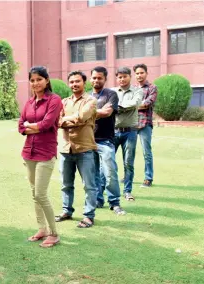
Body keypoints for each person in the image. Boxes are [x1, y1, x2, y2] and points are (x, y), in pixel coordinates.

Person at [18, 66, 62, 248]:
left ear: (46, 80)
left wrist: (32, 125)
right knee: (34, 194)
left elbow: (46, 124)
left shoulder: (54, 100)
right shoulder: (29, 103)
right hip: (29, 152)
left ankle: (54, 233)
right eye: (32, 80)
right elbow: (21, 126)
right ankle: (42, 229)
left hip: (45, 153)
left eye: (39, 79)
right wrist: (29, 125)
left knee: (40, 194)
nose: (35, 83)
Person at [55, 71, 98, 228]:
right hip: (66, 149)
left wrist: (68, 120)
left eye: (77, 81)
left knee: (89, 185)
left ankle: (88, 216)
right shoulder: (64, 102)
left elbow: (82, 116)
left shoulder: (91, 101)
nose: (74, 84)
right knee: (66, 184)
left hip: (84, 148)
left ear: (84, 82)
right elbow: (57, 121)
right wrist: (72, 120)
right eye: (71, 82)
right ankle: (67, 210)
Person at [89, 66, 126, 215]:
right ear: (90, 79)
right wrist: (97, 111)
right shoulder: (86, 96)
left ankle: (114, 202)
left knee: (110, 172)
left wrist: (88, 113)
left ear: (105, 79)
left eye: (100, 78)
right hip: (89, 141)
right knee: (93, 174)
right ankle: (98, 200)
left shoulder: (111, 94)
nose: (96, 80)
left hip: (106, 141)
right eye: (94, 77)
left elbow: (107, 113)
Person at [112, 67, 143, 201]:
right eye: (119, 77)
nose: (122, 79)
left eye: (124, 76)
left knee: (128, 163)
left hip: (130, 132)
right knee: (107, 162)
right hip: (112, 132)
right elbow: (108, 105)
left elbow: (135, 103)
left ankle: (127, 191)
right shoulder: (112, 92)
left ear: (130, 77)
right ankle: (107, 190)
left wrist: (118, 107)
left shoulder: (138, 90)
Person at [134, 64, 157, 188]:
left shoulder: (152, 88)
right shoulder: (132, 88)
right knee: (129, 153)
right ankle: (128, 176)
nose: (139, 75)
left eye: (141, 73)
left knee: (146, 152)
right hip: (131, 124)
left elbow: (147, 104)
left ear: (146, 73)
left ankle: (148, 178)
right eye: (137, 73)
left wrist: (132, 105)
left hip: (145, 124)